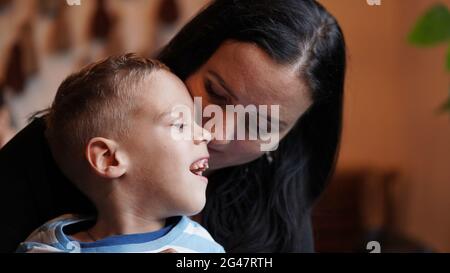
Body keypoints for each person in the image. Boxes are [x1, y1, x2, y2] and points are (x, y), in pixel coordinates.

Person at [0, 0, 346, 253]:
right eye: (215, 93)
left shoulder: (276, 220)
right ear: (189, 61)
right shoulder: (51, 151)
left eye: (261, 126)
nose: (216, 133)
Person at [16, 54, 223, 253]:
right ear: (109, 158)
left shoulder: (204, 247)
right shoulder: (46, 246)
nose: (205, 133)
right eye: (180, 125)